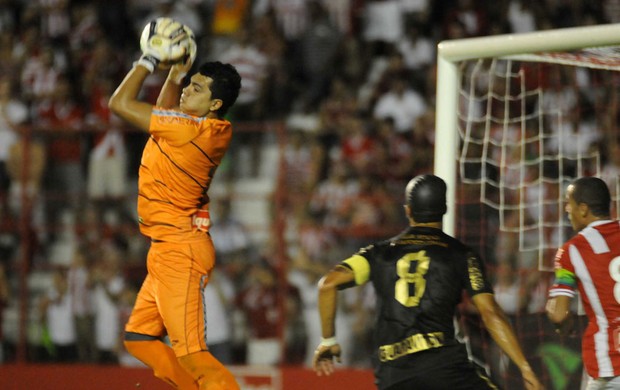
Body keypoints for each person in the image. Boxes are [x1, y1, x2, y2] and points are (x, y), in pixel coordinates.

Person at [313, 174, 543, 390]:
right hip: (441, 367)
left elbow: (328, 284)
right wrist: (524, 367)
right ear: (444, 209)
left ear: (408, 210)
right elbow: (490, 312)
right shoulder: (461, 254)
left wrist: (328, 341)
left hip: (392, 373)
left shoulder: (378, 253)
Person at [108, 20, 241, 390]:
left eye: (196, 89)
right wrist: (178, 75)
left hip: (180, 251)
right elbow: (167, 113)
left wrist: (150, 58)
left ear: (215, 104)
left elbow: (119, 103)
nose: (188, 92)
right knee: (138, 339)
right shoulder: (203, 127)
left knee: (194, 356)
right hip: (168, 247)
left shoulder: (189, 131)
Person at [546, 176, 620, 389]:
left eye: (570, 202)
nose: (567, 208)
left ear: (584, 209)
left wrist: (559, 320)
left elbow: (560, 314)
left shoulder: (571, 251)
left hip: (609, 363)